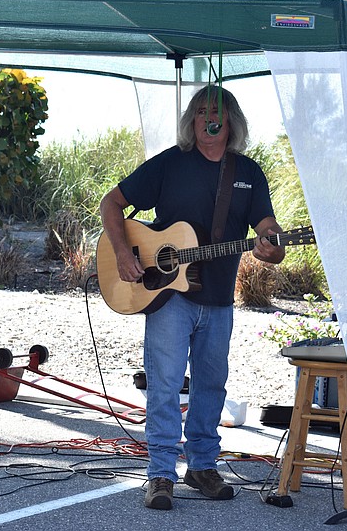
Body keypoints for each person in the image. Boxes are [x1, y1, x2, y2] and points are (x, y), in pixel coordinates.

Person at [99, 85, 285, 510]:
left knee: (211, 386)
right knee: (164, 385)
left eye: (215, 112)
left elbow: (269, 232)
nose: (208, 119)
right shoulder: (170, 164)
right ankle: (160, 474)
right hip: (169, 300)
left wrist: (274, 246)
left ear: (231, 120)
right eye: (200, 112)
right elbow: (112, 203)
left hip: (218, 298)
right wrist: (124, 252)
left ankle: (202, 465)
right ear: (192, 120)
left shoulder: (248, 173)